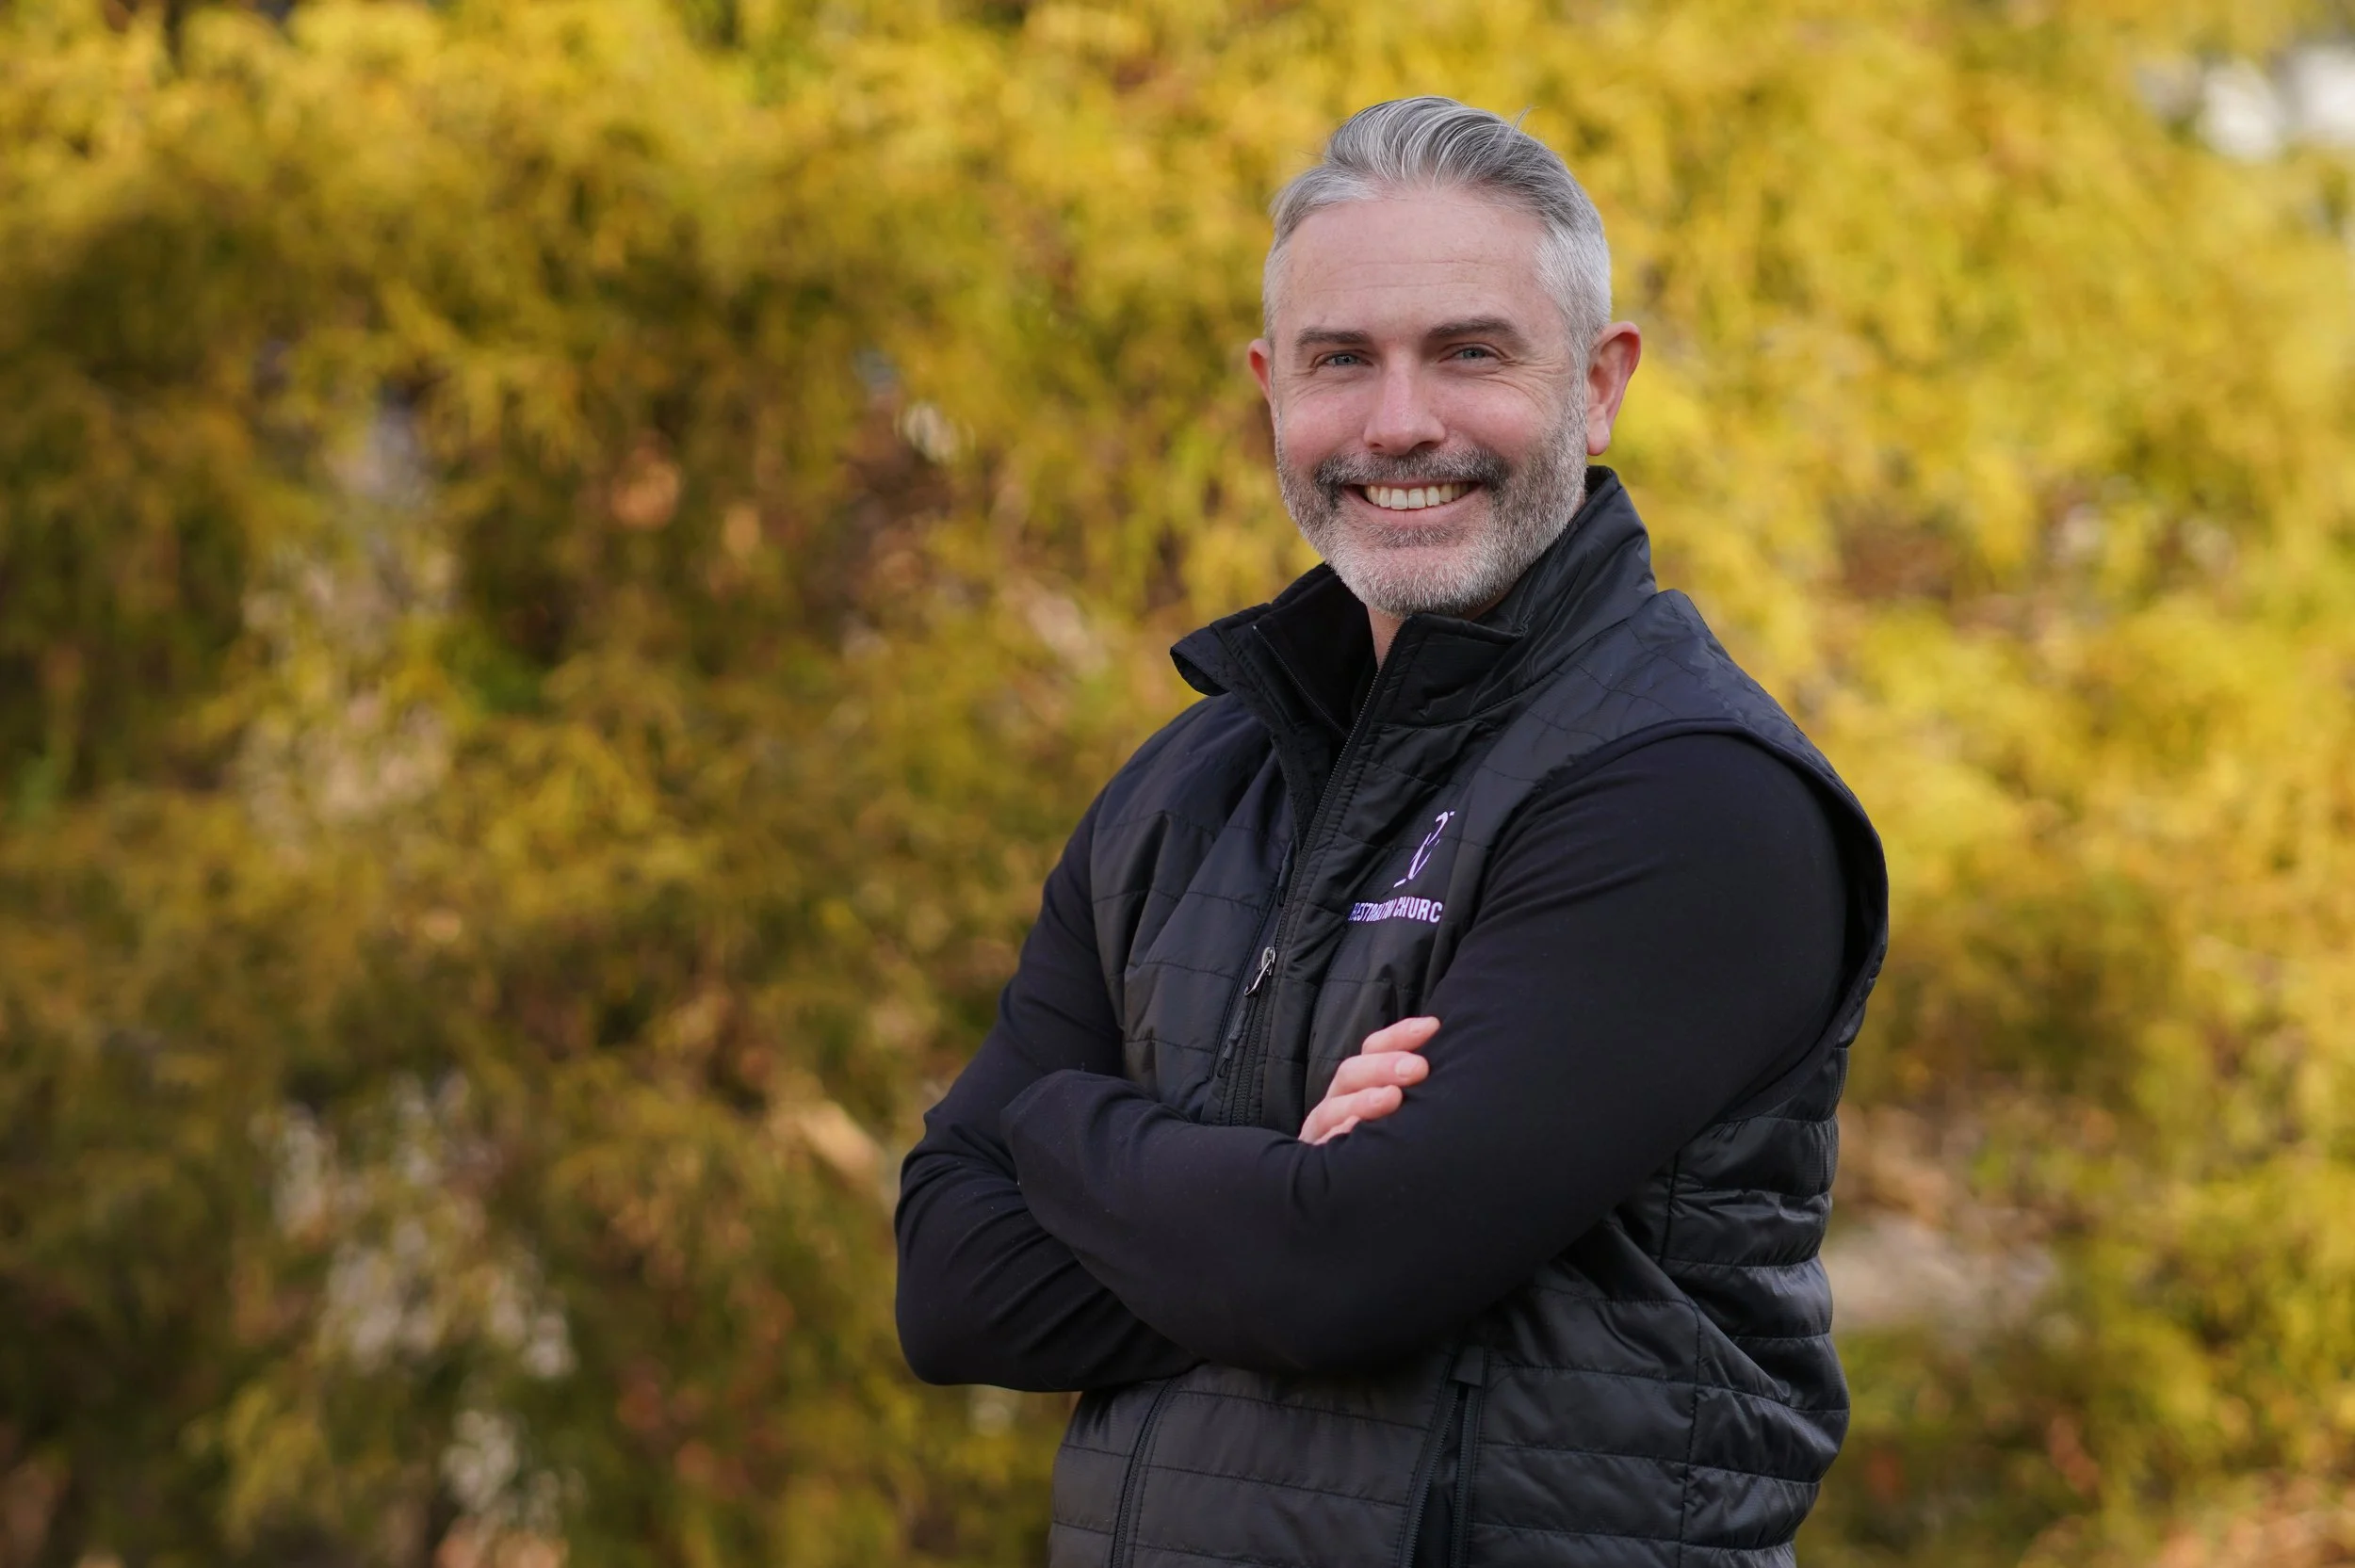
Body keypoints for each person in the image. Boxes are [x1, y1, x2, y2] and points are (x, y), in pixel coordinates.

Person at [894, 96, 1890, 1568]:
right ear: (1269, 390)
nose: (1399, 421)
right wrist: (1285, 1176)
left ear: (1601, 385)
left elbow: (1336, 1278)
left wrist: (1049, 1133)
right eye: (1341, 360)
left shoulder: (1689, 793)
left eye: (1471, 352)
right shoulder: (1187, 785)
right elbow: (951, 1286)